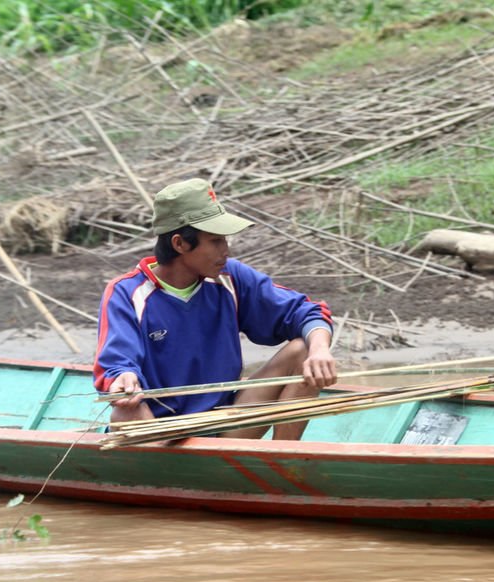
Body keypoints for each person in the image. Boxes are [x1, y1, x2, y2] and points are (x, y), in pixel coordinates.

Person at [93, 178, 337, 440]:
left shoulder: (230, 278)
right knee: (125, 412)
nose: (226, 251)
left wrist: (320, 349)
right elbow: (116, 365)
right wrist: (124, 379)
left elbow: (307, 311)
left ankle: (283, 464)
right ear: (180, 244)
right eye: (215, 241)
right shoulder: (126, 293)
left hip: (222, 424)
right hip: (161, 434)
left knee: (303, 349)